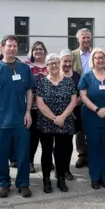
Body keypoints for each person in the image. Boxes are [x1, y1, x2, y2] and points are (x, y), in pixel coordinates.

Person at [0, 35, 36, 198]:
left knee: (23, 153)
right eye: (9, 45)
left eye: (15, 46)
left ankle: (23, 184)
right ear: (2, 48)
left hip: (20, 120)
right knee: (0, 154)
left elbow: (29, 90)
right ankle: (4, 183)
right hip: (0, 121)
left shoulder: (24, 68)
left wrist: (28, 111)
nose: (12, 48)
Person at [36, 53, 78, 193]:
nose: (53, 65)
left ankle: (61, 178)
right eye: (50, 63)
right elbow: (40, 105)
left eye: (56, 62)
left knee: (62, 153)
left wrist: (63, 117)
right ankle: (46, 179)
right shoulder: (41, 82)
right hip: (46, 123)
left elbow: (73, 101)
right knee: (46, 152)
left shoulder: (68, 81)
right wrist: (55, 118)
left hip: (65, 122)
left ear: (60, 64)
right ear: (46, 66)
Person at [78, 47, 105, 190]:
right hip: (91, 115)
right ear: (92, 60)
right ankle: (94, 177)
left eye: (102, 57)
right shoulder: (86, 76)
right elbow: (83, 96)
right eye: (97, 57)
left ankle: (103, 174)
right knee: (93, 146)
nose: (100, 60)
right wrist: (96, 109)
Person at [24, 41, 49, 173]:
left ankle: (47, 161)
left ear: (45, 51)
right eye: (35, 49)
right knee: (33, 137)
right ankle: (30, 161)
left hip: (49, 107)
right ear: (32, 52)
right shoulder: (26, 66)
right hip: (32, 107)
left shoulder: (50, 64)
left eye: (41, 49)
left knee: (47, 136)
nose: (38, 51)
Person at [59, 49, 82, 180]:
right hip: (57, 115)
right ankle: (59, 168)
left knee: (68, 143)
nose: (67, 64)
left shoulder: (77, 76)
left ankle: (66, 169)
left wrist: (72, 105)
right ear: (60, 61)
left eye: (69, 61)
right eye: (65, 61)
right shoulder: (56, 74)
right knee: (58, 143)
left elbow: (82, 94)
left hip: (73, 115)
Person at [71, 28, 92, 168]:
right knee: (80, 128)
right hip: (78, 96)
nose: (85, 40)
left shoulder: (95, 54)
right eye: (83, 38)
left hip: (93, 96)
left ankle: (92, 155)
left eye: (88, 37)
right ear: (78, 39)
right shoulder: (72, 55)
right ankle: (82, 155)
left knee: (91, 127)